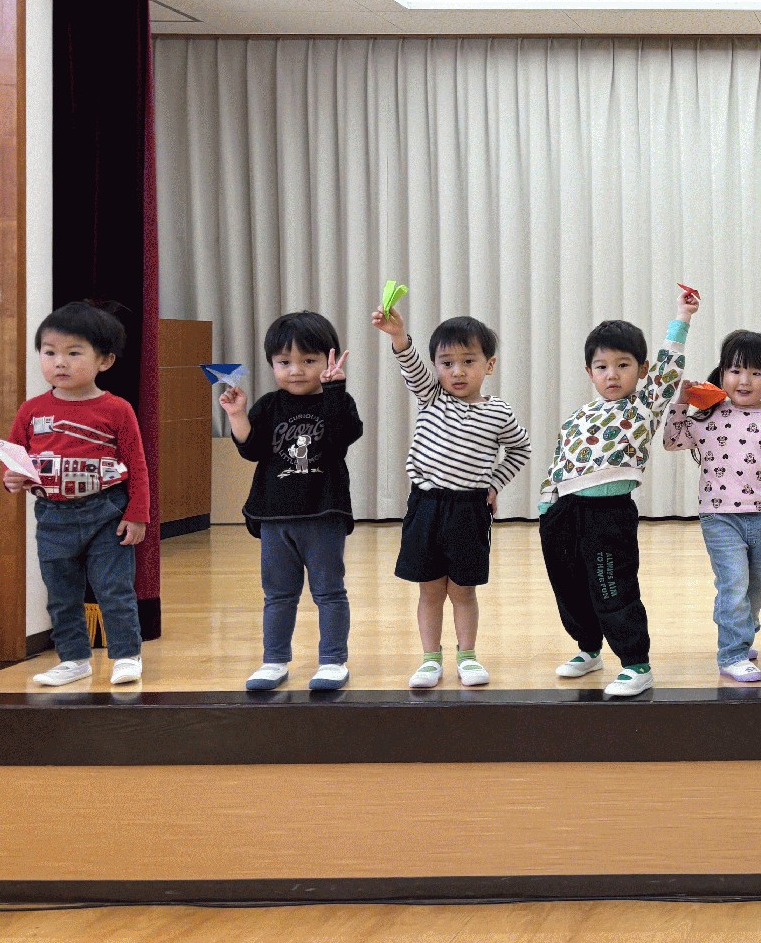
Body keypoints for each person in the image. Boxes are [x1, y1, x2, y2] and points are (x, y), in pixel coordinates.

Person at [539, 287, 698, 698]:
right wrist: (545, 505)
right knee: (569, 586)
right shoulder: (578, 415)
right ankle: (588, 648)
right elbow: (558, 461)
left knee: (612, 585)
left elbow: (668, 368)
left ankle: (635, 663)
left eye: (623, 365)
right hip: (562, 511)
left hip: (608, 514)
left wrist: (682, 317)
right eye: (602, 366)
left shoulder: (644, 404)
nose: (612, 375)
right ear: (590, 372)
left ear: (641, 370)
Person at [372, 301, 533, 690]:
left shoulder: (499, 412)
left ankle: (467, 656)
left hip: (469, 510)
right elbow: (410, 364)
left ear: (489, 365)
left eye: (468, 361)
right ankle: (430, 659)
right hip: (426, 507)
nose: (457, 371)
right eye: (446, 363)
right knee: (430, 590)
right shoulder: (432, 396)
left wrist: (494, 483)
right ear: (436, 368)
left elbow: (520, 449)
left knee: (463, 590)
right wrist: (399, 336)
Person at [4, 302, 150, 688]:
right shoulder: (32, 410)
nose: (59, 362)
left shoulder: (117, 409)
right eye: (49, 352)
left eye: (73, 353)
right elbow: (16, 460)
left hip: (107, 512)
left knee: (113, 589)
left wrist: (137, 514)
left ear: (105, 360)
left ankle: (127, 655)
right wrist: (12, 479)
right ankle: (73, 659)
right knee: (61, 594)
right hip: (52, 516)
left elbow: (137, 464)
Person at [221, 310, 364, 692]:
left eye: (309, 360)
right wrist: (237, 414)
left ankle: (333, 661)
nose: (296, 370)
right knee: (278, 594)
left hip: (323, 513)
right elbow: (251, 450)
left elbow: (343, 436)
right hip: (275, 516)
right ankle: (274, 660)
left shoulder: (338, 401)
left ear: (328, 361)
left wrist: (335, 390)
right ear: (271, 363)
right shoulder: (269, 405)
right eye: (284, 362)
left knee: (329, 592)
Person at [663, 328, 761, 685]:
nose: (744, 380)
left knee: (758, 588)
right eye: (736, 370)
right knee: (733, 584)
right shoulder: (708, 416)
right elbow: (672, 440)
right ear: (722, 372)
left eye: (756, 372)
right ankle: (732, 653)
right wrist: (681, 401)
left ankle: (743, 629)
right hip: (719, 517)